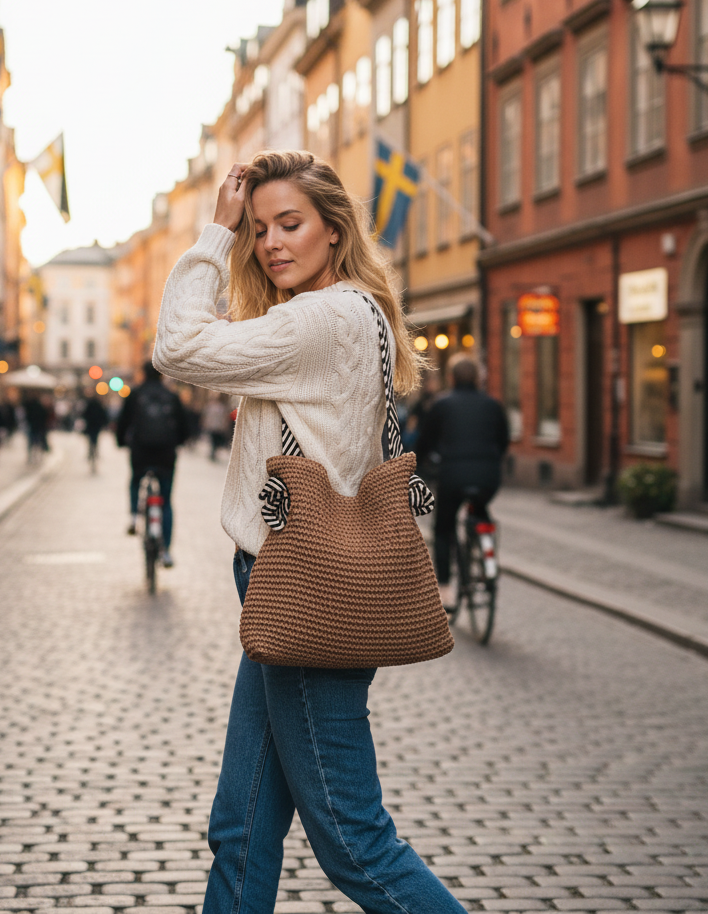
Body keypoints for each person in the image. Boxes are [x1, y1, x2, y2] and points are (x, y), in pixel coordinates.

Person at [152, 151, 465, 914]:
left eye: (289, 223)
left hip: (302, 584)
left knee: (354, 840)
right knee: (244, 825)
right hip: (287, 584)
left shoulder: (318, 320)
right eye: (258, 229)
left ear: (334, 228)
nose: (270, 243)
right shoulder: (353, 312)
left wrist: (214, 238)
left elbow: (177, 348)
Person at [416, 356, 510, 607]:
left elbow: (425, 443)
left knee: (444, 529)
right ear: (478, 378)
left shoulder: (441, 404)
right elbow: (503, 440)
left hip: (452, 477)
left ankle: (445, 590)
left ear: (452, 378)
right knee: (479, 509)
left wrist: (420, 466)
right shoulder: (493, 404)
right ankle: (487, 556)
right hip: (488, 477)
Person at [116, 361, 188, 565]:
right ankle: (165, 551)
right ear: (162, 375)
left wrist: (121, 442)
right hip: (165, 455)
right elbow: (184, 427)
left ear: (143, 374)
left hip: (141, 453)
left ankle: (132, 516)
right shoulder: (172, 396)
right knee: (165, 500)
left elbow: (123, 422)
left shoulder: (135, 394)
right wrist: (179, 442)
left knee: (135, 481)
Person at [81, 390, 109, 471]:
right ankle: (94, 450)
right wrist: (104, 424)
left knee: (90, 439)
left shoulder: (89, 405)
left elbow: (84, 414)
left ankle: (91, 452)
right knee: (95, 439)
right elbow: (104, 415)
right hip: (97, 426)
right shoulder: (99, 405)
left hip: (90, 426)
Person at [200, 393, 232, 461]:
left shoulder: (221, 407)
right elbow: (206, 415)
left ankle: (213, 451)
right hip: (215, 426)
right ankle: (213, 452)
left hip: (216, 426)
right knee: (213, 440)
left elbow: (224, 418)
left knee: (215, 440)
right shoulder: (212, 406)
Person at [23, 392, 49, 461]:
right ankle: (37, 454)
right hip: (38, 427)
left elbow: (27, 416)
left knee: (31, 442)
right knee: (37, 442)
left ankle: (31, 455)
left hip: (32, 426)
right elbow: (45, 416)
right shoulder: (40, 406)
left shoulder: (29, 406)